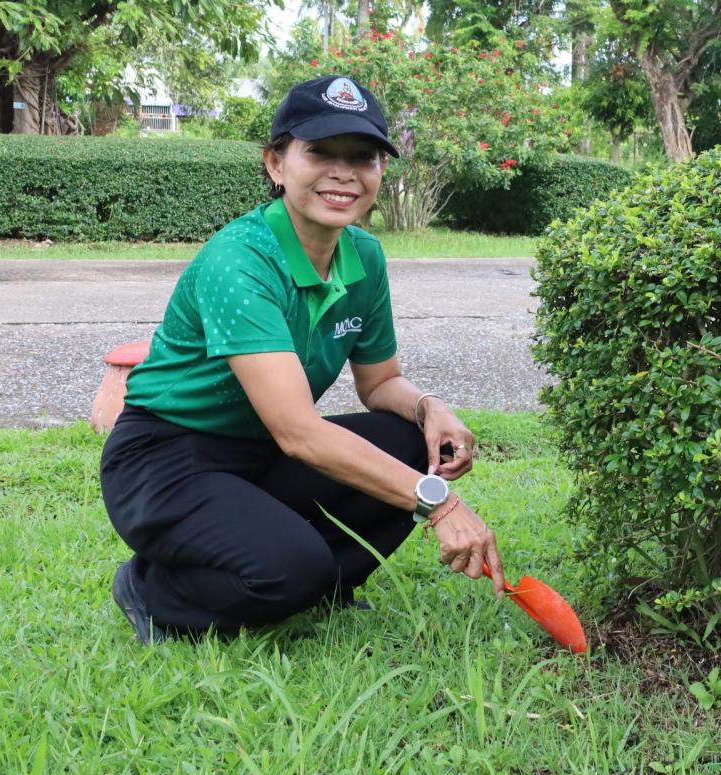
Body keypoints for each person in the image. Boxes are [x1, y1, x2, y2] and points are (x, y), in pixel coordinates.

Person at [100, 75, 506, 643]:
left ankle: (328, 587)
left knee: (411, 443)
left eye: (362, 156)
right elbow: (299, 433)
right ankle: (153, 592)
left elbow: (380, 381)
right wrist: (438, 504)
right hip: (167, 460)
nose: (343, 172)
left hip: (258, 450)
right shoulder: (239, 262)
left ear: (380, 172)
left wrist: (427, 408)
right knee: (290, 568)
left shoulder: (362, 254)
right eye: (319, 151)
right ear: (276, 163)